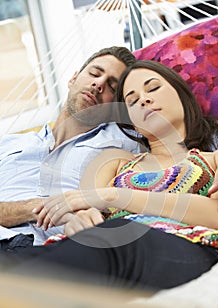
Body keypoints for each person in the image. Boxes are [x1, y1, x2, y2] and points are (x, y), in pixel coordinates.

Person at [2, 60, 218, 293]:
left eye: (152, 88)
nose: (143, 100)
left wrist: (115, 196)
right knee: (35, 258)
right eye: (132, 101)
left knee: (123, 239)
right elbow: (86, 217)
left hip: (190, 247)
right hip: (112, 252)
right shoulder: (115, 162)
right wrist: (82, 220)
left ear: (181, 94)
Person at [0, 46, 139, 246]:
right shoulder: (10, 143)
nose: (98, 84)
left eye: (112, 86)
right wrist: (44, 206)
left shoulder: (122, 142)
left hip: (38, 253)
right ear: (73, 78)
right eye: (94, 73)